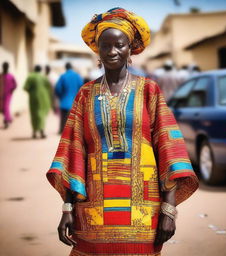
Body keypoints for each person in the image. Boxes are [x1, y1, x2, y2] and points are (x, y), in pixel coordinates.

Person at [47, 7, 198, 256]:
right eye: (105, 45)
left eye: (119, 45)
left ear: (131, 48)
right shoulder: (85, 94)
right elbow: (73, 153)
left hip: (143, 211)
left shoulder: (149, 90)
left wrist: (168, 210)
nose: (112, 51)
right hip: (92, 212)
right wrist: (67, 209)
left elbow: (169, 150)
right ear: (97, 50)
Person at [24, 65, 52, 139]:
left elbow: (25, 87)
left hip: (33, 99)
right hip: (44, 99)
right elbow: (49, 88)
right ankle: (42, 131)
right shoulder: (44, 77)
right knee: (42, 115)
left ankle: (34, 132)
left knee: (34, 115)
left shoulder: (31, 77)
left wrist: (32, 92)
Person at [55, 62, 83, 134]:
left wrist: (61, 96)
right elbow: (82, 87)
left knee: (64, 118)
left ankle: (62, 130)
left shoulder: (63, 76)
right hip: (75, 102)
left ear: (66, 68)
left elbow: (58, 88)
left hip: (65, 101)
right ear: (72, 67)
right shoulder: (77, 76)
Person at [0, 62, 17, 129]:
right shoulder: (1, 76)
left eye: (6, 66)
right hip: (1, 95)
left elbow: (15, 85)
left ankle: (7, 120)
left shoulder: (11, 76)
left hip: (8, 95)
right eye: (4, 66)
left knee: (6, 107)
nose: (5, 67)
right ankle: (9, 119)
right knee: (2, 108)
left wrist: (11, 91)